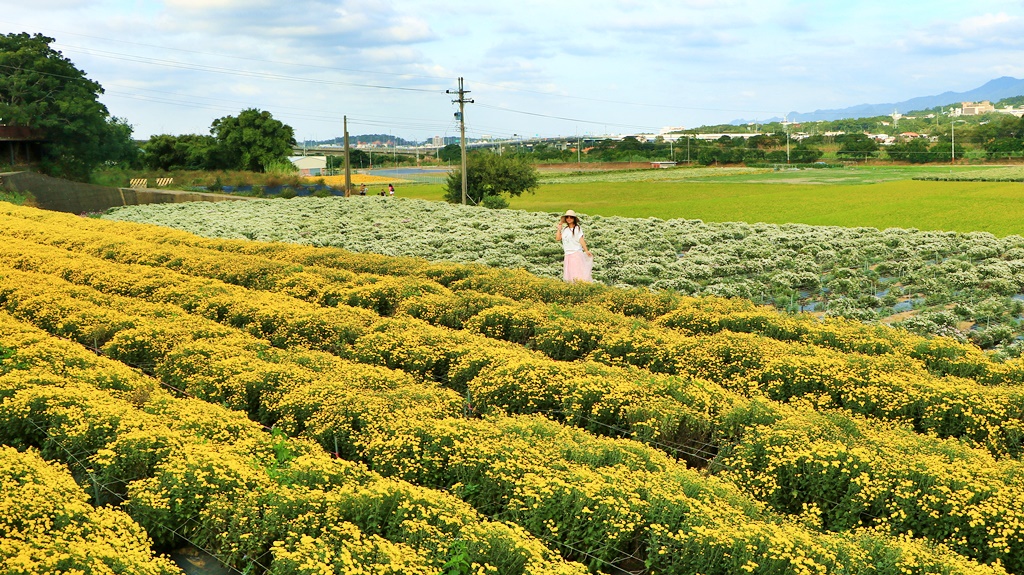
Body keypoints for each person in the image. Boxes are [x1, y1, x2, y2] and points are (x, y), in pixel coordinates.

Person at [556, 209, 593, 282]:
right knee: (569, 275)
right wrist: (559, 228)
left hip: (576, 254)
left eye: (571, 217)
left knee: (577, 274)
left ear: (574, 219)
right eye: (567, 217)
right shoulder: (565, 229)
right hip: (567, 254)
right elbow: (558, 238)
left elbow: (581, 239)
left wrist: (586, 250)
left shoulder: (577, 228)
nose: (569, 219)